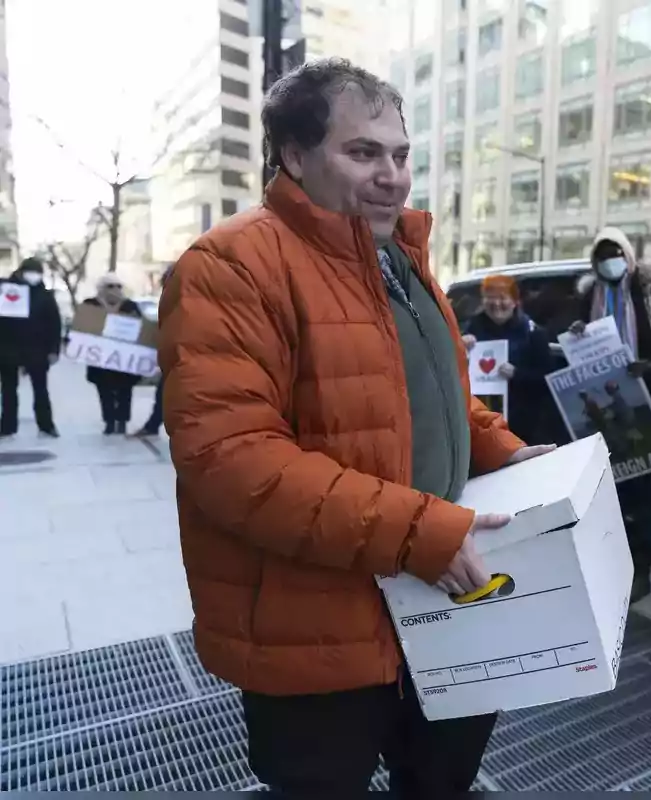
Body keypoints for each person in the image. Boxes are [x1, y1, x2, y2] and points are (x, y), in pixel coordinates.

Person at [154, 58, 552, 796]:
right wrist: (418, 534)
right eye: (363, 152)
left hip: (444, 606)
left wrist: (511, 450)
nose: (393, 177)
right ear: (295, 157)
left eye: (401, 155)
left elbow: (435, 397)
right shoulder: (228, 266)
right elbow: (233, 461)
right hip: (317, 635)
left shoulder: (402, 260)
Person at [568, 227, 651, 603]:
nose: (611, 261)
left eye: (616, 253)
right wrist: (575, 330)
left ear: (627, 255)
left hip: (648, 407)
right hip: (604, 412)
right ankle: (614, 564)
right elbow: (570, 334)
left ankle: (644, 570)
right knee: (611, 492)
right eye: (603, 255)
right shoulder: (590, 294)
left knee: (648, 493)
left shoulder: (650, 291)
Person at [460, 274, 554, 444]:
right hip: (481, 426)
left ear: (515, 301)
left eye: (503, 298)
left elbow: (548, 381)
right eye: (490, 298)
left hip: (523, 428)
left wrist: (517, 374)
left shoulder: (532, 333)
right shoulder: (471, 329)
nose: (496, 304)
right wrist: (460, 348)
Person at [0, 257, 62, 438]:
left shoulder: (44, 295)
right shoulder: (6, 290)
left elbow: (54, 324)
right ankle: (7, 426)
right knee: (9, 389)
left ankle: (46, 424)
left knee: (40, 389)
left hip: (37, 349)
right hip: (8, 348)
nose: (34, 276)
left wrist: (53, 349)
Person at [84, 275, 143, 436]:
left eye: (118, 286)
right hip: (100, 357)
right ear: (102, 288)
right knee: (104, 390)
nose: (115, 290)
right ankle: (109, 421)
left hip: (124, 358)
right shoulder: (91, 304)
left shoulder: (130, 306)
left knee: (125, 390)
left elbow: (139, 328)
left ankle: (122, 421)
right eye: (110, 286)